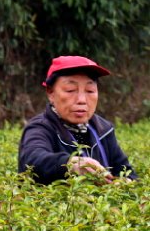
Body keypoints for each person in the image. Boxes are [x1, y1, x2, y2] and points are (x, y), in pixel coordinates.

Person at [18, 55, 138, 184]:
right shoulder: (40, 128)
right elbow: (32, 160)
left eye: (90, 91)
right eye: (71, 90)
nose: (82, 100)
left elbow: (127, 172)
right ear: (50, 93)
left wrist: (125, 182)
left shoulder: (104, 129)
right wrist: (71, 164)